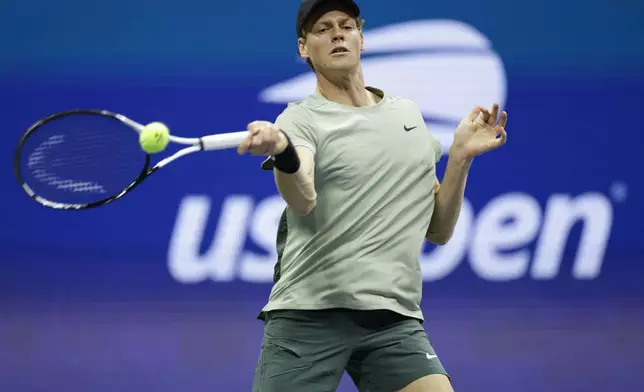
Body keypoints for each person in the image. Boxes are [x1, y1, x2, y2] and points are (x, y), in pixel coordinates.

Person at [237, 0, 508, 391]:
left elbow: (439, 228)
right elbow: (302, 198)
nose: (336, 33)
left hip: (391, 317)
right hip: (310, 315)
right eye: (322, 28)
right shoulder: (299, 119)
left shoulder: (407, 115)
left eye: (346, 25)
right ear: (303, 47)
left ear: (361, 37)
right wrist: (284, 150)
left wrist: (460, 157)